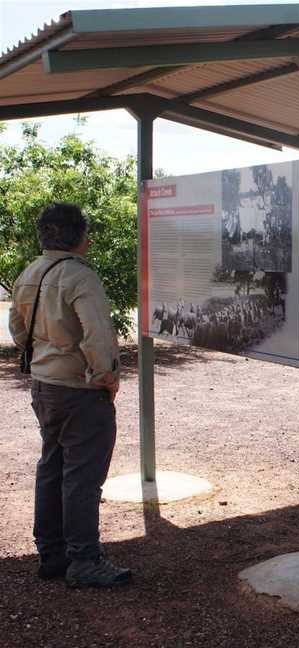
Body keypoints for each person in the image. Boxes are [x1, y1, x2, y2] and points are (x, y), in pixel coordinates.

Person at [8, 202, 132, 588]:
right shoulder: (80, 276)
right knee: (81, 477)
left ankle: (52, 553)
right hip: (79, 390)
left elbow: (16, 328)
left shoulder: (30, 272)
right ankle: (85, 559)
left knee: (52, 467)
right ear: (80, 236)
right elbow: (97, 335)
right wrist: (106, 377)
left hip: (44, 386)